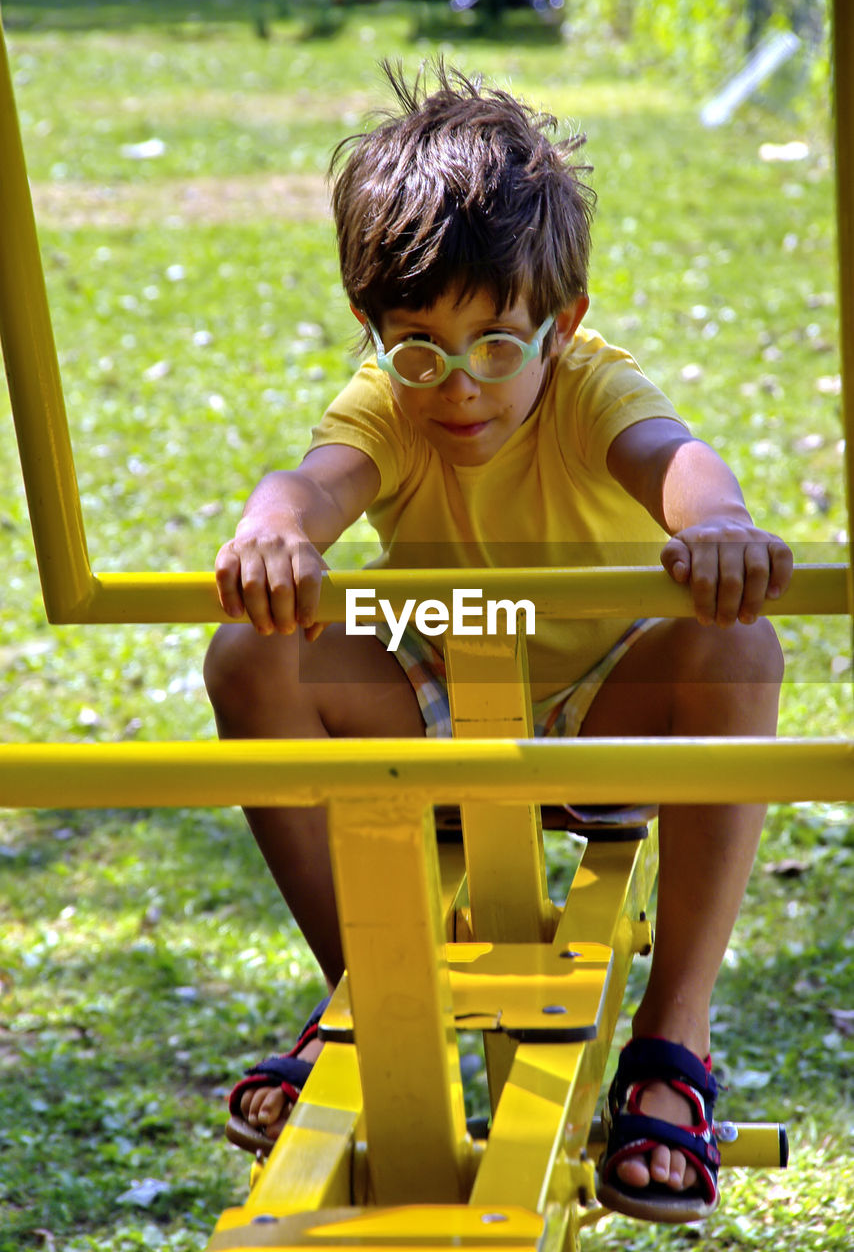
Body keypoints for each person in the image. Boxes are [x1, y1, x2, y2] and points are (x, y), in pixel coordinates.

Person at [204, 59, 792, 1224]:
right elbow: (312, 485)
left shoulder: (588, 387)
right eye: (416, 345)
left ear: (559, 326)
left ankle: (673, 1035)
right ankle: (366, 991)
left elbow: (670, 459)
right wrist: (274, 527)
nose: (457, 387)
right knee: (245, 653)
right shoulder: (392, 403)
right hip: (433, 691)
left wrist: (714, 524)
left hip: (605, 695)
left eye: (494, 346)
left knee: (742, 646)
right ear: (374, 332)